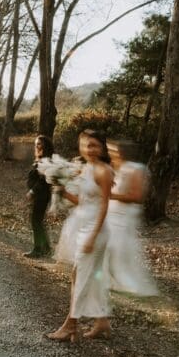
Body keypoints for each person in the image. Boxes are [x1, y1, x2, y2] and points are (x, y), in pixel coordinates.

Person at [47, 130, 113, 342]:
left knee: (82, 277)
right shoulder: (86, 169)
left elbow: (104, 206)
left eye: (94, 145)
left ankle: (70, 325)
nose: (90, 149)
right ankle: (102, 321)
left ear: (102, 148)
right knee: (80, 275)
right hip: (85, 226)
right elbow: (84, 201)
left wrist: (93, 236)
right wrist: (62, 191)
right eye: (86, 145)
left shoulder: (104, 171)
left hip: (97, 230)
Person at [106, 140, 158, 297]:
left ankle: (126, 283)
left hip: (124, 216)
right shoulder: (116, 168)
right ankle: (109, 280)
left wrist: (111, 195)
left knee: (118, 250)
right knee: (108, 249)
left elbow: (137, 196)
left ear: (122, 152)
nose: (110, 153)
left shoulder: (136, 169)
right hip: (112, 214)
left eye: (113, 150)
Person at [24, 135, 54, 258]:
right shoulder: (40, 159)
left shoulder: (46, 161)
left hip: (41, 195)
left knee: (36, 221)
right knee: (38, 221)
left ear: (45, 146)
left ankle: (38, 249)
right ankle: (46, 247)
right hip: (40, 195)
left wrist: (32, 192)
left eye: (39, 144)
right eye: (36, 144)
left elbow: (43, 180)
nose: (36, 146)